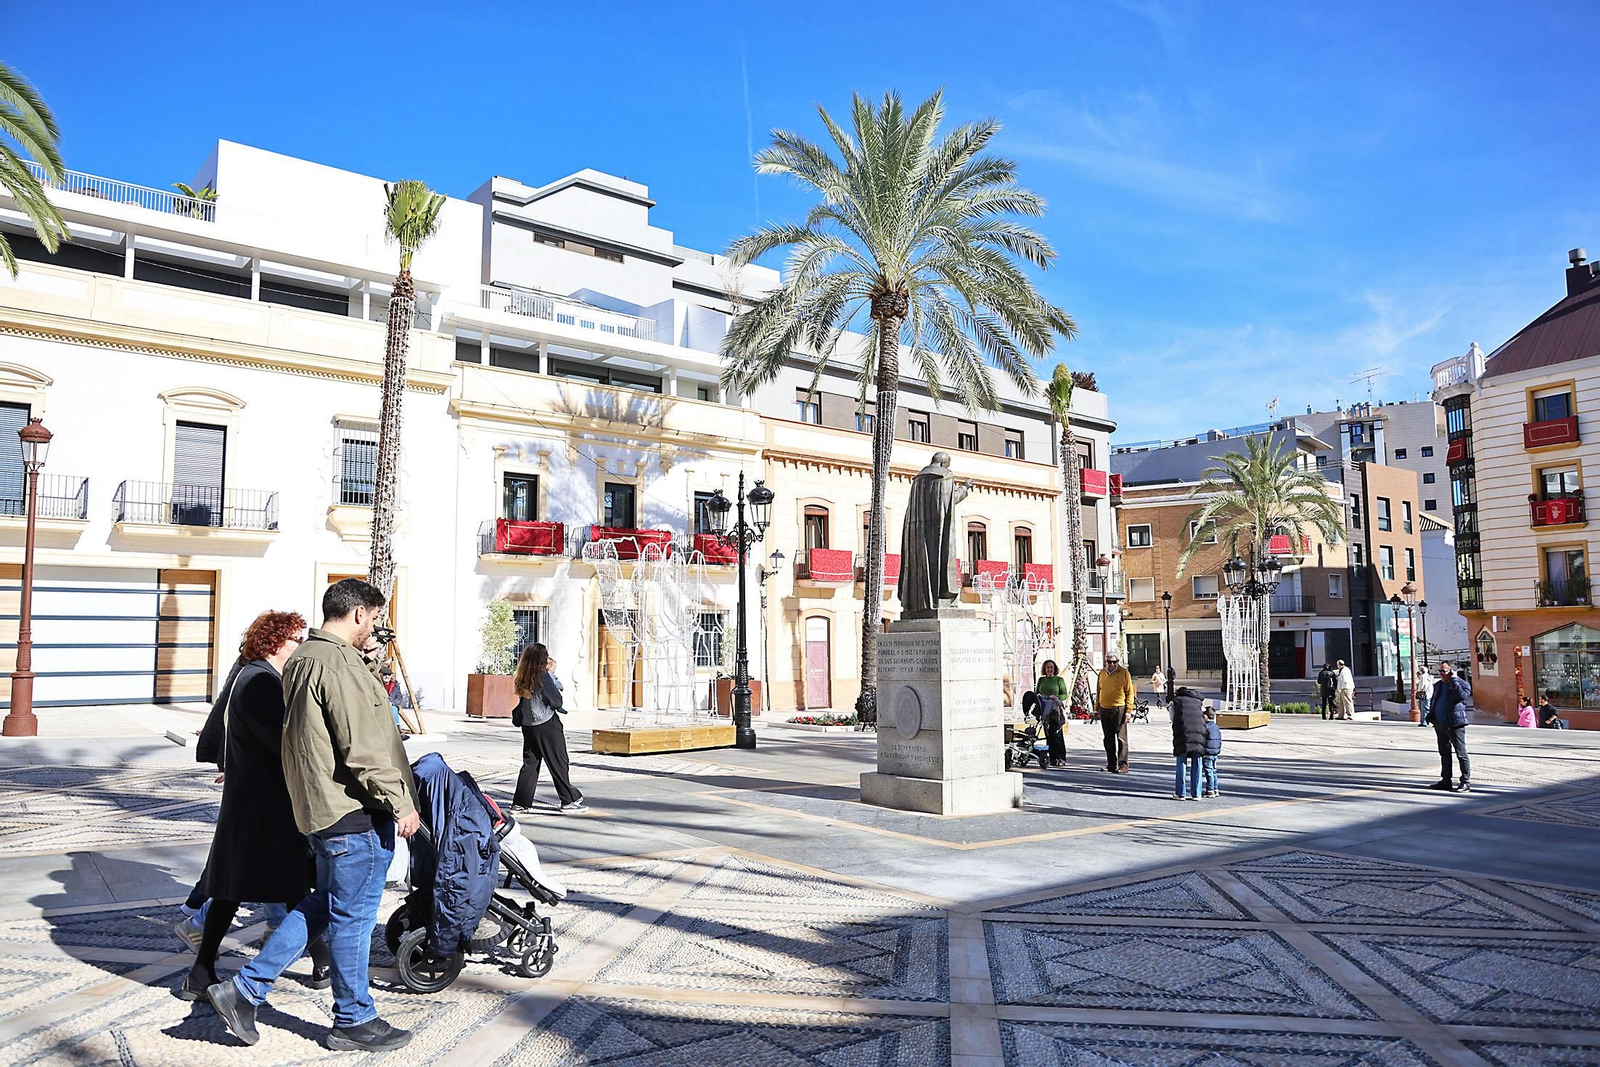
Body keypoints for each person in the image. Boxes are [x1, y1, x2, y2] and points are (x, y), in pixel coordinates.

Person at [206, 578, 420, 1052]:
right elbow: (361, 747)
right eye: (374, 618)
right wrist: (400, 802)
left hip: (320, 812)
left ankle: (243, 990)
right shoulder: (338, 664)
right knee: (354, 921)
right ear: (359, 614)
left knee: (323, 906)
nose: (375, 628)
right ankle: (353, 1019)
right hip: (354, 813)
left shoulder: (302, 658)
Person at [180, 611, 331, 1002]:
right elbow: (284, 743)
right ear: (278, 642)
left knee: (243, 889)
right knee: (290, 886)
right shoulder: (262, 681)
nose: (301, 645)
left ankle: (201, 972)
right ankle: (323, 961)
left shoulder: (258, 676)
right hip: (265, 807)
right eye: (297, 639)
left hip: (255, 804)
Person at [511, 643, 588, 813]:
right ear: (541, 658)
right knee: (558, 761)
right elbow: (556, 701)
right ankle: (568, 800)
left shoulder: (522, 675)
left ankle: (520, 803)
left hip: (529, 726)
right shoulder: (543, 675)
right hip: (547, 724)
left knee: (530, 764)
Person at [1423, 661, 1472, 792]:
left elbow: (1461, 696)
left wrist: (1454, 680)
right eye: (1439, 671)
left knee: (1461, 754)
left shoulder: (1462, 684)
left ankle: (1465, 782)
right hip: (1440, 723)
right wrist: (1431, 715)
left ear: (1452, 671)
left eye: (1444, 671)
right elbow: (1434, 701)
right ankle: (1446, 780)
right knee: (1444, 753)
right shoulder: (1438, 685)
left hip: (1455, 723)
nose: (1441, 674)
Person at [1096, 652, 1136, 773]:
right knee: (1108, 738)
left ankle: (1123, 764)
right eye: (1109, 662)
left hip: (1119, 708)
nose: (1112, 664)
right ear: (1106, 662)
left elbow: (1130, 692)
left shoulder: (1124, 673)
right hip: (1104, 708)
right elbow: (1099, 691)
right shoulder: (1102, 673)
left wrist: (1128, 711)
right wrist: (1096, 708)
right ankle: (1111, 764)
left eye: (1115, 662)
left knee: (1121, 738)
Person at [1169, 686, 1207, 800]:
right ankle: (1197, 793)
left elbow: (1172, 718)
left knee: (1181, 762)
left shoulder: (1175, 701)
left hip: (1183, 733)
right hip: (1200, 732)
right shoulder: (1198, 701)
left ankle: (1180, 793)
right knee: (1198, 762)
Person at [1034, 659, 1069, 767]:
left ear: (1054, 669)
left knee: (1057, 734)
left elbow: (1064, 695)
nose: (1049, 669)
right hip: (1045, 710)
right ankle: (1052, 757)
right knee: (1048, 734)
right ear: (1045, 669)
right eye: (1047, 667)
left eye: (1051, 667)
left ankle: (1060, 757)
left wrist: (1056, 697)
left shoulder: (1059, 680)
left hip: (1055, 710)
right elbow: (1036, 693)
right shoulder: (1041, 680)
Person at [1201, 707, 1222, 798]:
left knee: (1209, 771)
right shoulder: (1216, 727)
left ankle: (1210, 790)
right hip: (1215, 752)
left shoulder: (1205, 727)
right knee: (1213, 771)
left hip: (1207, 752)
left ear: (1206, 717)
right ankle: (1215, 789)